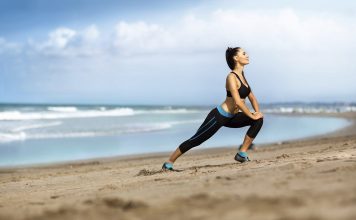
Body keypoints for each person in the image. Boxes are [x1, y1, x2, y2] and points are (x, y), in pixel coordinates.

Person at [162, 47, 264, 171]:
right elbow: (238, 101)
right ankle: (169, 163)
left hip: (232, 117)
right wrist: (252, 115)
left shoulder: (242, 76)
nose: (247, 55)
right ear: (236, 58)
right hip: (219, 117)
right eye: (244, 53)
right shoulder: (231, 77)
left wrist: (257, 112)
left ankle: (241, 153)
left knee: (258, 120)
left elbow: (252, 98)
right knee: (196, 140)